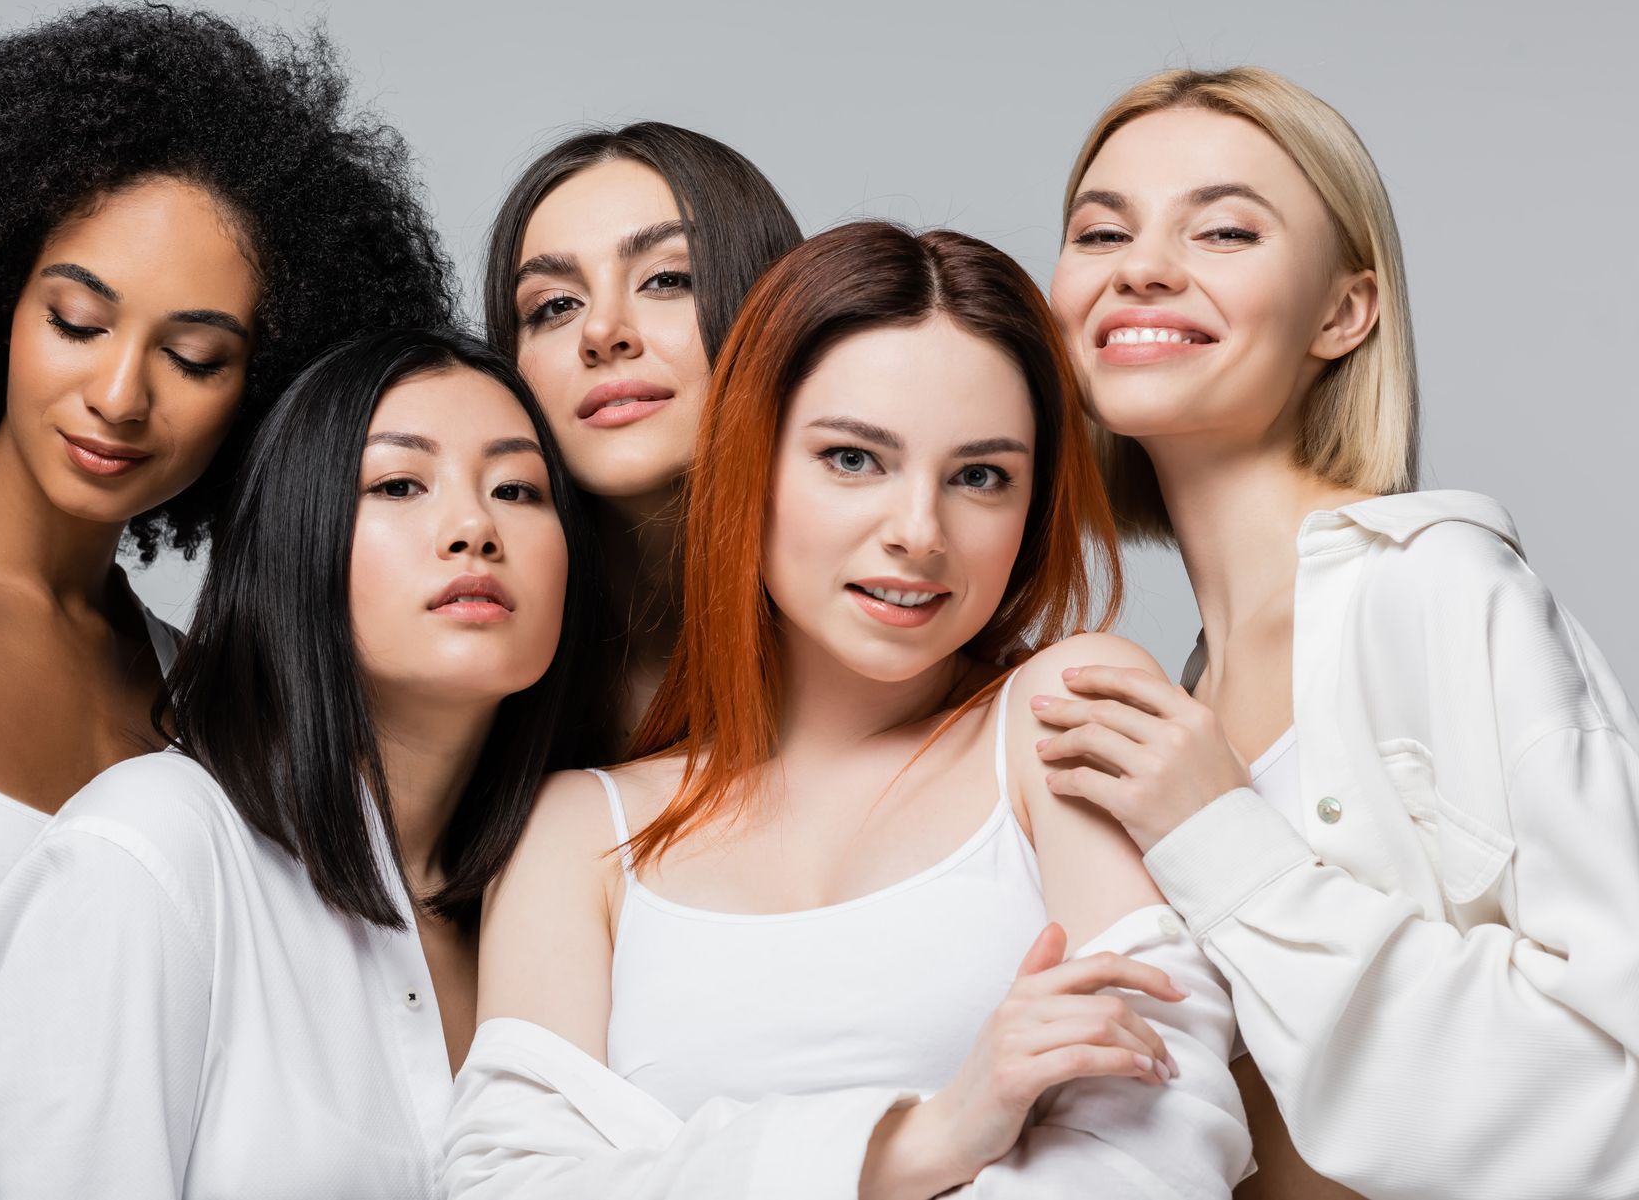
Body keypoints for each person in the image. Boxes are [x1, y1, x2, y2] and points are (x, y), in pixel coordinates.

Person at [0, 3, 451, 1199]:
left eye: (196, 357)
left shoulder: (194, 693)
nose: (119, 392)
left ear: (259, 398)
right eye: (78, 318)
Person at [445, 222, 1250, 1198]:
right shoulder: (578, 831)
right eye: (854, 460)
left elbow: (1160, 1152)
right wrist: (922, 1142)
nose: (918, 532)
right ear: (753, 464)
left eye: (980, 477)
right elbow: (506, 1188)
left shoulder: (1061, 715)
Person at [1038, 65, 1639, 1199]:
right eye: (1100, 229)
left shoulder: (1440, 590)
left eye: (1222, 230)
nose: (1143, 266)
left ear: (1343, 312)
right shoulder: (1187, 693)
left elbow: (1617, 1085)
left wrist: (1220, 838)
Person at [0, 328, 602, 1197]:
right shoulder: (151, 854)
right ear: (294, 540)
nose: (473, 528)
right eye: (399, 484)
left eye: (518, 488)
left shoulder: (561, 908)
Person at [483, 123, 802, 749]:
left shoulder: (896, 655)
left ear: (774, 309)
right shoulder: (479, 672)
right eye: (553, 306)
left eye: (666, 280)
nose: (601, 331)